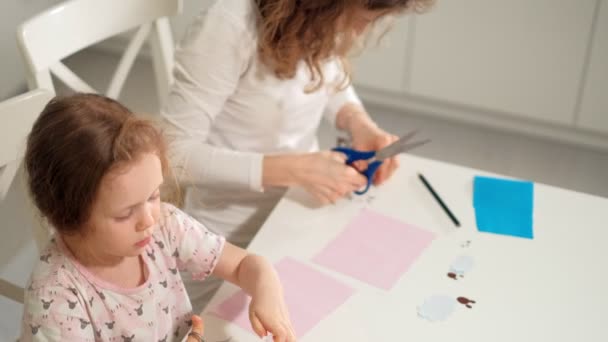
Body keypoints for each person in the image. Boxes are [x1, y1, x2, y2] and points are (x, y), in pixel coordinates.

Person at [161, 0, 434, 310]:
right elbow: (172, 154)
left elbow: (324, 76)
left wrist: (358, 122)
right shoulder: (229, 25)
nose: (361, 31)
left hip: (296, 214)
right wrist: (295, 170)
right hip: (227, 245)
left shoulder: (312, 18)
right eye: (365, 18)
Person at [19, 94, 295, 342]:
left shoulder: (165, 225)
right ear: (69, 218)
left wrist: (266, 290)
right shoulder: (56, 299)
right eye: (126, 213)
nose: (149, 218)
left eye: (153, 196)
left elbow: (244, 264)